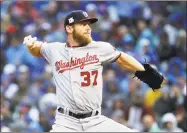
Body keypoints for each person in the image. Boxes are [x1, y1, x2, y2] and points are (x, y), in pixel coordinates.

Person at [23, 10, 162, 132]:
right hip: (66, 123)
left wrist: (143, 71)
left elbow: (121, 58)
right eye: (83, 24)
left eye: (88, 24)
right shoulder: (55, 49)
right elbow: (39, 49)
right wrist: (30, 46)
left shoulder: (100, 48)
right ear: (69, 28)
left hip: (95, 120)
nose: (88, 28)